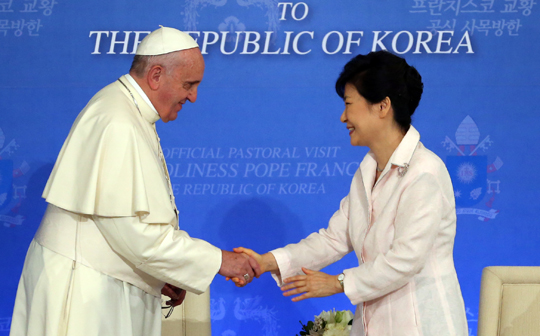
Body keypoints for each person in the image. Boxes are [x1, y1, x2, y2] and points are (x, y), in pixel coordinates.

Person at [10, 27, 259, 336]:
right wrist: (220, 261)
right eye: (189, 85)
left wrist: (162, 275)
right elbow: (136, 236)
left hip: (101, 284)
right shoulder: (117, 121)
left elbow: (124, 232)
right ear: (156, 75)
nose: (193, 97)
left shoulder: (126, 111)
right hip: (85, 294)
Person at [234, 51, 468, 336]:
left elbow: (406, 259)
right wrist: (267, 262)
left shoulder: (425, 172)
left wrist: (338, 283)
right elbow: (334, 239)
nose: (343, 117)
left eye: (348, 104)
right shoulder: (368, 169)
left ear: (383, 106)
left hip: (422, 324)